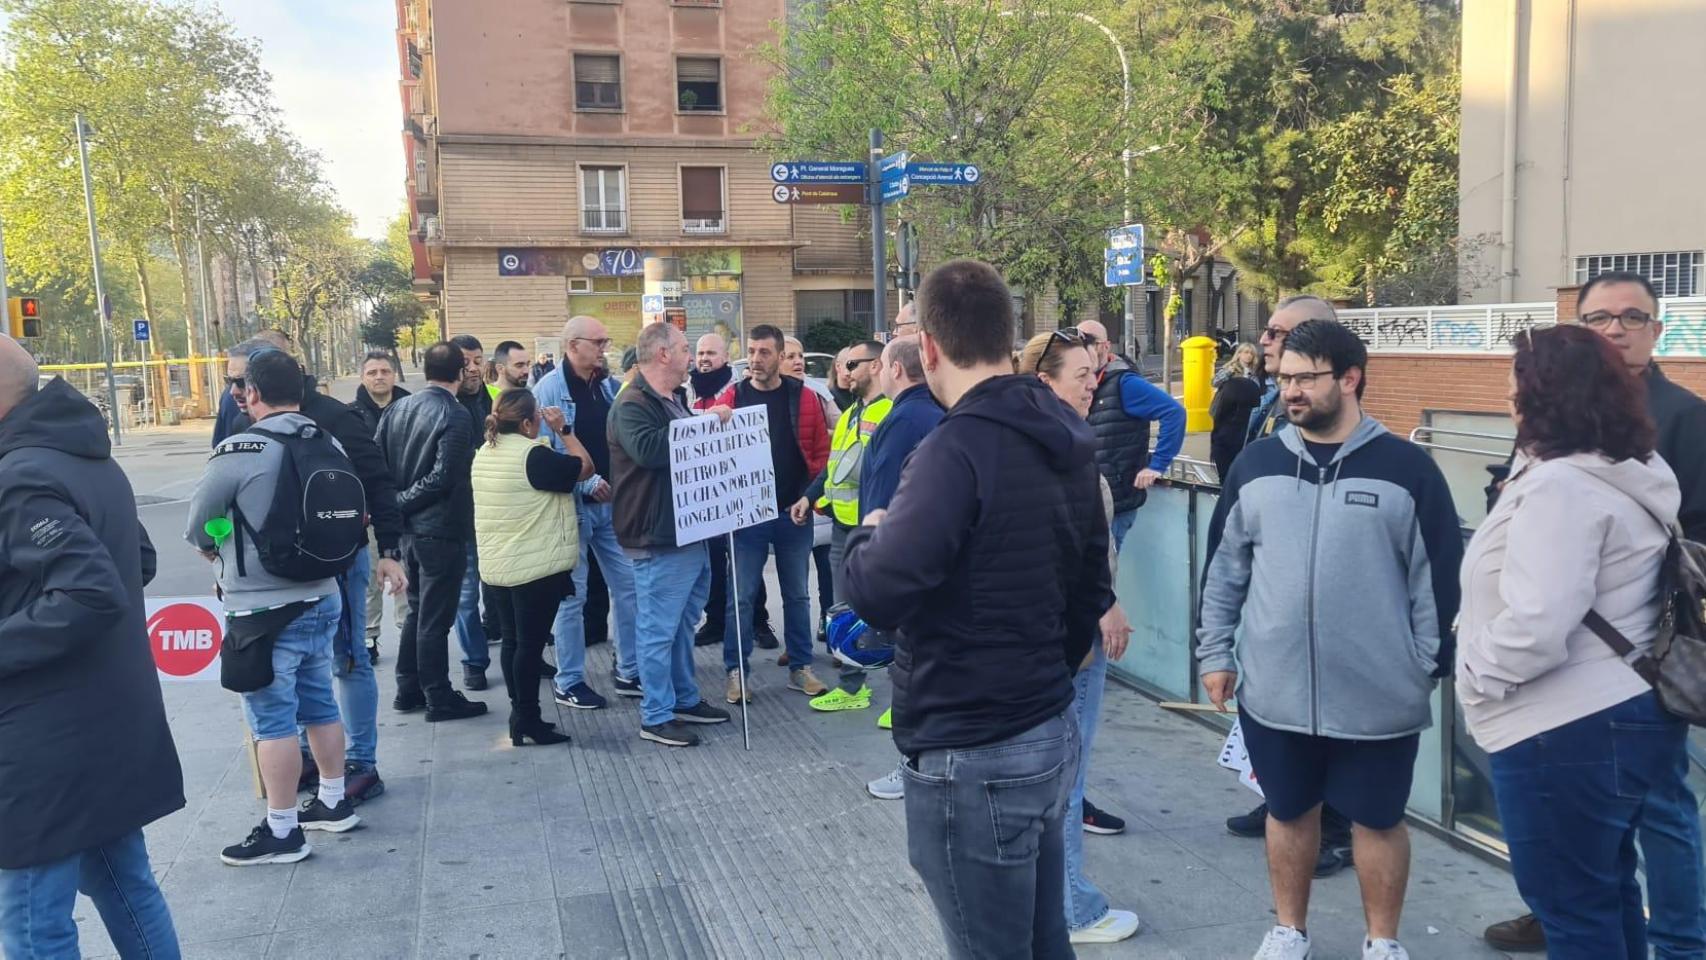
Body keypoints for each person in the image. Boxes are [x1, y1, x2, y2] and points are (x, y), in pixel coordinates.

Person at [844, 260, 1112, 960]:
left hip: (973, 745)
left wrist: (869, 531)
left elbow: (877, 592)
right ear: (1008, 333)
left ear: (928, 347)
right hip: (1046, 724)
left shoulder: (952, 450)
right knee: (1041, 939)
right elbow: (1092, 585)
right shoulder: (1062, 434)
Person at [1197, 319, 1463, 960]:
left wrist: (1422, 667)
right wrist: (1214, 653)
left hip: (1379, 696)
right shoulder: (1257, 465)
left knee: (1378, 820)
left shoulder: (1408, 470)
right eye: (1283, 377)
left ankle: (1382, 941)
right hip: (1275, 691)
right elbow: (1224, 569)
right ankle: (1289, 930)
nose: (1290, 390)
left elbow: (1440, 583)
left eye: (1305, 378)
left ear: (1349, 378)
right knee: (1287, 813)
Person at [1482, 271, 1706, 957]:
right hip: (1602, 687)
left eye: (1631, 317)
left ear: (1656, 330)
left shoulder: (1683, 420)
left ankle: (1682, 940)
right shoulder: (1570, 431)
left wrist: (1481, 674)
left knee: (1651, 823)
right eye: (1599, 318)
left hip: (1613, 682)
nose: (1615, 329)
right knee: (1594, 877)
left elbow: (1545, 611)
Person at [0, 337, 184, 956]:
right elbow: (140, 559)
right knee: (125, 885)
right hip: (102, 721)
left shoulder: (19, 473)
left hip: (44, 741)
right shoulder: (82, 455)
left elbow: (91, 591)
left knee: (31, 923)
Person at [185, 349, 363, 864]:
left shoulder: (241, 447)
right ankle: (333, 801)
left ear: (253, 393)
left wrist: (210, 542)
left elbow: (199, 521)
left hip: (263, 609)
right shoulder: (323, 438)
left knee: (271, 721)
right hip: (324, 592)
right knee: (320, 703)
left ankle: (283, 830)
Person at [226, 340, 407, 808]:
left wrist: (389, 550)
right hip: (269, 577)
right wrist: (224, 554)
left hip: (338, 565)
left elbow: (377, 481)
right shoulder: (237, 419)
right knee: (296, 668)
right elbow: (222, 496)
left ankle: (360, 764)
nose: (234, 391)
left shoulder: (335, 418)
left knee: (347, 660)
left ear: (261, 383)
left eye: (239, 381)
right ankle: (306, 757)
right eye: (230, 382)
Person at [1017, 329, 1141, 946]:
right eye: (1082, 375)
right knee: (1067, 776)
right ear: (1045, 382)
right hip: (1072, 643)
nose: (1095, 384)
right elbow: (1068, 551)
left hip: (1055, 639)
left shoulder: (1037, 443)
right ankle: (1072, 908)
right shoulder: (1057, 451)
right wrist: (1105, 603)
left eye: (1096, 373)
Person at [1223, 295, 1356, 869]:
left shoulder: (1340, 418)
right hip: (1269, 584)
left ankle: (1335, 829)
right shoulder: (1270, 401)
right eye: (1269, 331)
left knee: (1325, 724)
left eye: (1279, 332)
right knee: (1272, 712)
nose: (1267, 339)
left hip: (1322, 601)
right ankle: (1279, 803)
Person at [609, 322, 734, 746]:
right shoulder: (632, 403)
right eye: (683, 349)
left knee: (682, 625)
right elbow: (651, 450)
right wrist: (706, 425)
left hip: (687, 531)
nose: (690, 357)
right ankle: (656, 714)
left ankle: (683, 698)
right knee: (658, 629)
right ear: (662, 354)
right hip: (656, 535)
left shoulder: (672, 399)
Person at [473, 390, 594, 746]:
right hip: (534, 569)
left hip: (498, 566)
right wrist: (565, 430)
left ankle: (520, 713)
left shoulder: (484, 453)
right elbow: (585, 467)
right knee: (529, 645)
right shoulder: (533, 457)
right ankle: (528, 718)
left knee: (512, 642)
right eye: (538, 420)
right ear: (527, 423)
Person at [533, 315, 641, 708]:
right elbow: (544, 458)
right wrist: (586, 482)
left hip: (612, 508)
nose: (604, 348)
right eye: (597, 342)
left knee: (629, 587)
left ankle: (629, 668)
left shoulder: (609, 388)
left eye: (606, 341)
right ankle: (570, 680)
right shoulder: (548, 390)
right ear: (572, 345)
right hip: (572, 509)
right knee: (572, 597)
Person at [377, 342, 488, 723]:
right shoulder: (453, 414)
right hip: (438, 528)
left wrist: (396, 505)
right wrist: (403, 502)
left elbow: (380, 465)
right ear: (460, 373)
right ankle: (437, 695)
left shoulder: (398, 408)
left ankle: (409, 688)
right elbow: (445, 475)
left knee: (419, 611)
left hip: (412, 530)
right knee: (434, 618)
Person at [859, 335, 947, 798]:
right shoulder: (930, 412)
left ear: (895, 369)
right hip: (927, 559)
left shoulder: (905, 418)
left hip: (906, 562)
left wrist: (876, 560)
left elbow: (886, 494)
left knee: (912, 677)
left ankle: (914, 766)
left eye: (879, 365)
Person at [725, 324, 833, 701]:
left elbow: (822, 455)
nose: (755, 359)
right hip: (747, 516)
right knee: (740, 595)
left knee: (798, 594)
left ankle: (800, 667)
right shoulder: (733, 398)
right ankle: (737, 671)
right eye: (751, 351)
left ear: (780, 355)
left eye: (764, 352)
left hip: (793, 511)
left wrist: (810, 497)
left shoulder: (805, 398)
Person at [805, 339, 892, 711]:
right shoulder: (854, 411)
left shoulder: (891, 411)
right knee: (844, 611)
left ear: (876, 366)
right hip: (844, 527)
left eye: (853, 364)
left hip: (877, 528)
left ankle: (903, 696)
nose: (844, 372)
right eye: (842, 365)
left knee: (891, 612)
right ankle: (852, 688)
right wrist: (809, 497)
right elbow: (835, 465)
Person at [688, 332, 778, 651]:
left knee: (745, 564)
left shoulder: (739, 390)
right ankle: (715, 622)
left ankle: (758, 621)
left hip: (740, 490)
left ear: (726, 357)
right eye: (700, 352)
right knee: (712, 562)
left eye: (711, 352)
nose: (704, 358)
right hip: (704, 492)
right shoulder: (686, 391)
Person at [1077, 318, 1184, 554]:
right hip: (1093, 500)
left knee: (1103, 576)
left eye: (1087, 342)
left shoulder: (1125, 383)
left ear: (1105, 347)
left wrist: (1157, 465)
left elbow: (1174, 413)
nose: (1080, 349)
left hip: (1116, 502)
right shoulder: (1090, 381)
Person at [351, 351, 412, 666]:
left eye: (385, 371)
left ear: (394, 375)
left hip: (408, 505)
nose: (379, 377)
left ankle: (408, 630)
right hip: (371, 510)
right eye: (372, 371)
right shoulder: (350, 414)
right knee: (372, 577)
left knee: (407, 575)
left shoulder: (412, 408)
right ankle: (369, 636)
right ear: (362, 377)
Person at [447, 334, 497, 689]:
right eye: (466, 361)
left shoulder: (495, 400)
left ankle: (521, 651)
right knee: (466, 596)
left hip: (500, 513)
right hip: (463, 517)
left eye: (478, 360)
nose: (473, 368)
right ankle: (474, 662)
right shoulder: (443, 406)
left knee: (507, 590)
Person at [1245, 296, 1338, 445]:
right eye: (1267, 331)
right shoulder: (1272, 400)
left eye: (1275, 332)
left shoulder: (1320, 415)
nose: (1263, 340)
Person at [212, 328, 290, 447]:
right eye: (229, 380)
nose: (234, 391)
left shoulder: (317, 417)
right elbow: (222, 448)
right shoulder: (236, 412)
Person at [1210, 342, 1264, 481]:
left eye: (1251, 353)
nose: (1248, 356)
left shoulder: (1255, 372)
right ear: (1239, 354)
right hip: (1228, 411)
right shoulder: (1230, 368)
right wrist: (1229, 372)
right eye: (1245, 352)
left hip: (1246, 412)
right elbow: (1214, 382)